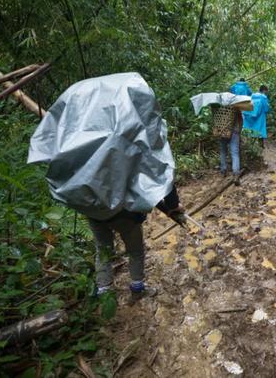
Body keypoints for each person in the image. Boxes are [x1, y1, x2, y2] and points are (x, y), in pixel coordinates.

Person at [28, 73, 186, 302]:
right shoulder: (133, 134)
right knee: (135, 249)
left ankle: (104, 291)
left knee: (102, 248)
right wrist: (172, 206)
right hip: (125, 210)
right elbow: (158, 168)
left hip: (91, 206)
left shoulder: (79, 138)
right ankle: (137, 288)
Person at [220, 78, 250, 184]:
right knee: (235, 153)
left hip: (223, 130)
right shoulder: (237, 106)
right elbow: (241, 120)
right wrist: (239, 130)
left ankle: (223, 170)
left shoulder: (221, 107)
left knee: (223, 150)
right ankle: (236, 174)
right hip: (234, 131)